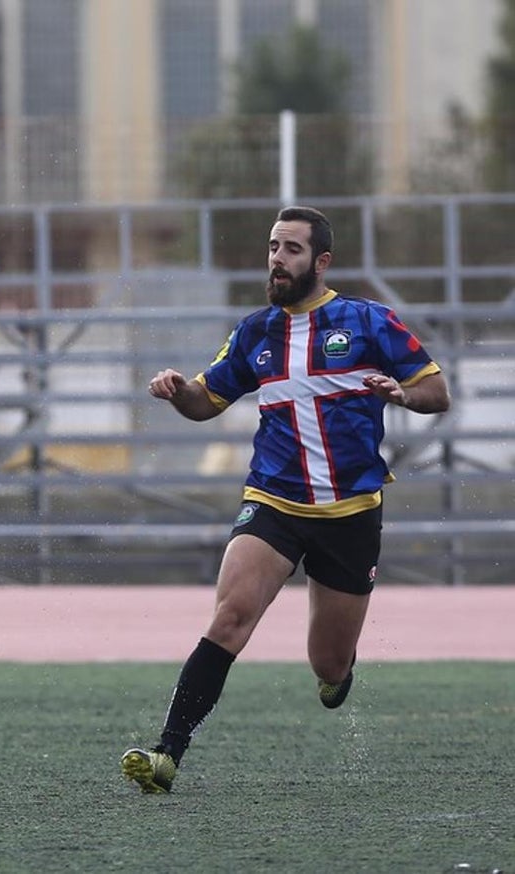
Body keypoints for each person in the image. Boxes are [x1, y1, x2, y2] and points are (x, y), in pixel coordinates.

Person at [121, 205, 451, 794]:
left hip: (350, 514)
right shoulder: (256, 332)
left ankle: (338, 673)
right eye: (273, 247)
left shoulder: (368, 321)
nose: (277, 259)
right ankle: (166, 754)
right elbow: (206, 401)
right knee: (229, 619)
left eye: (292, 250)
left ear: (321, 262)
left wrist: (402, 392)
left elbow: (437, 390)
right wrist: (177, 392)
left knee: (327, 664)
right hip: (273, 502)